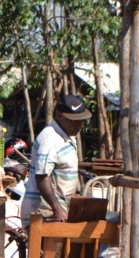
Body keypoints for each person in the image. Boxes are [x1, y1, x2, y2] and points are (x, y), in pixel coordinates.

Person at [21, 94, 92, 223]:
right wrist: (57, 208)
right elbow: (42, 176)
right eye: (74, 121)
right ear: (60, 116)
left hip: (55, 212)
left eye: (82, 120)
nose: (79, 125)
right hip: (43, 214)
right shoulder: (50, 140)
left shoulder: (66, 135)